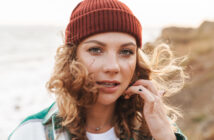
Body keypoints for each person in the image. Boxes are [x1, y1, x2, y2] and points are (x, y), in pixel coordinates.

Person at [9, 0, 188, 140]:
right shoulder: (33, 133)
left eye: (126, 52)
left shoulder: (156, 131)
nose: (112, 67)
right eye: (96, 50)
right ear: (72, 58)